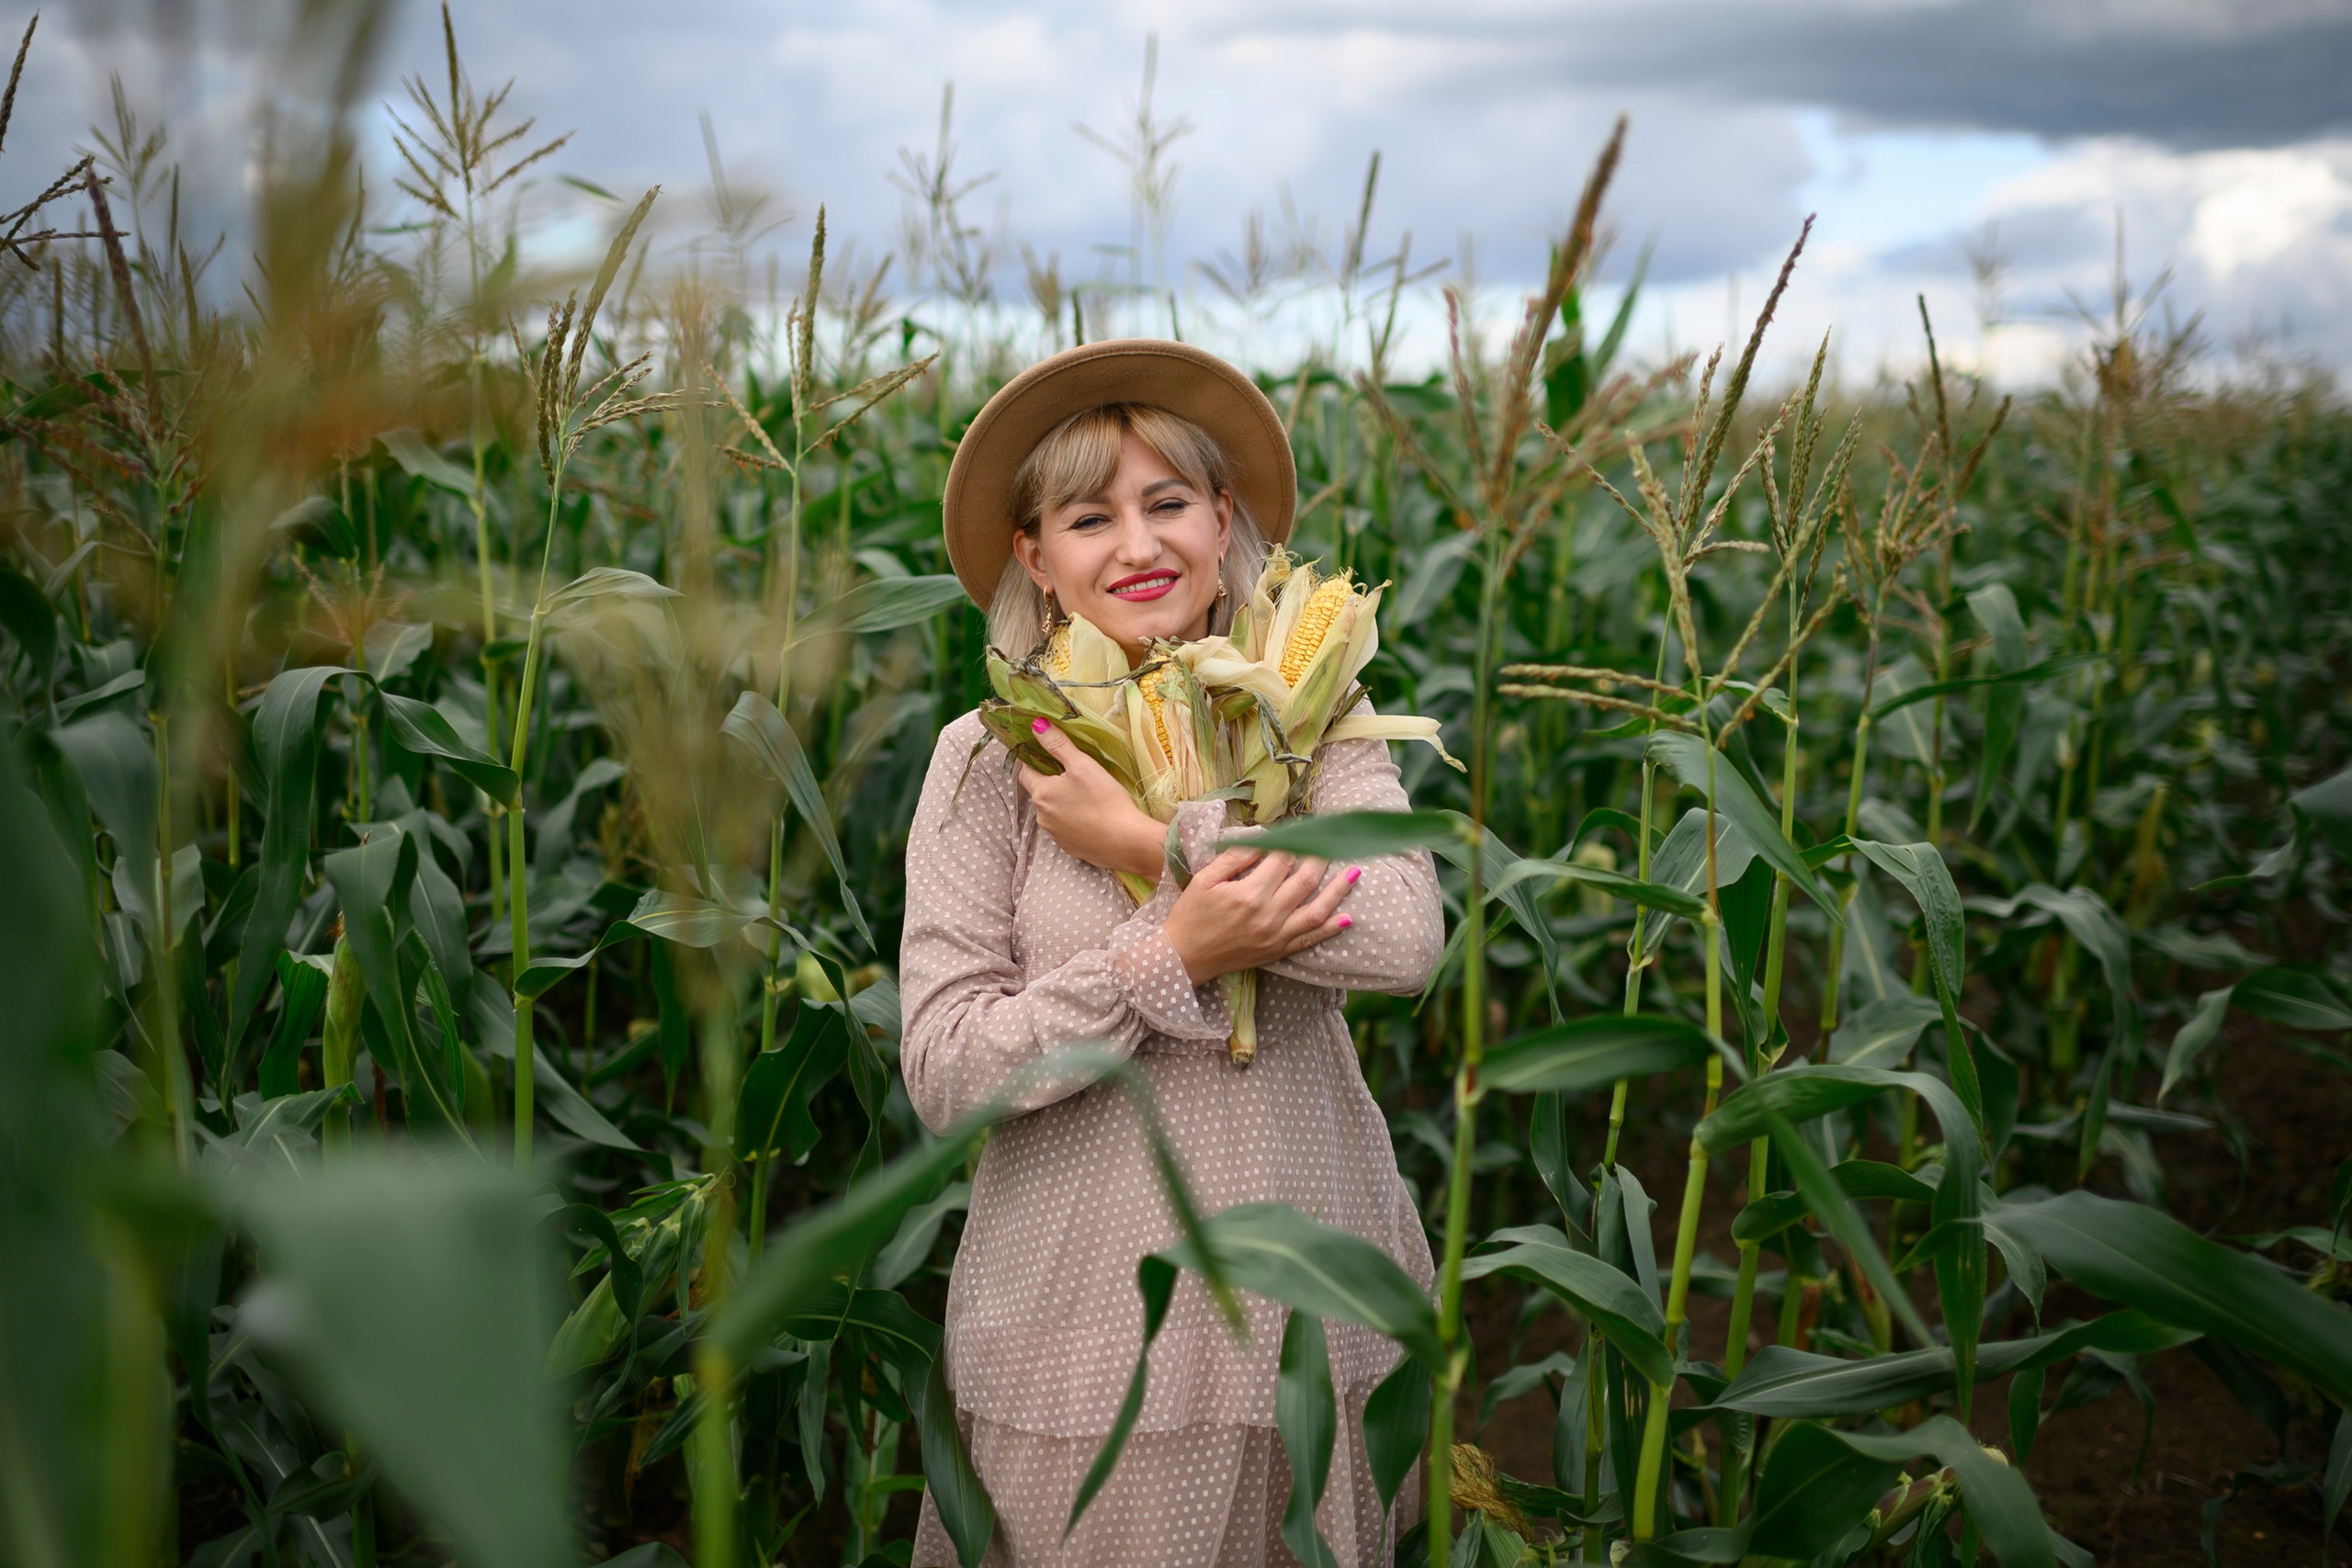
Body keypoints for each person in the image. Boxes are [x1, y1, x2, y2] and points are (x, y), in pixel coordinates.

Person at [902, 339, 1441, 1567]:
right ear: (1034, 556)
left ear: (1223, 518)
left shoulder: (1314, 723)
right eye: (1090, 517)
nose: (1137, 547)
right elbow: (946, 1070)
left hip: (1312, 1298)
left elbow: (1404, 938)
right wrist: (1178, 947)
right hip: (1087, 1327)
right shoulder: (991, 763)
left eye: (1168, 504)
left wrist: (1150, 842)